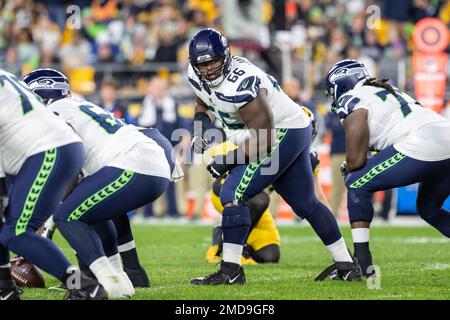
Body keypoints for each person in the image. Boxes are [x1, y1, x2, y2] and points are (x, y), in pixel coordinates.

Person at [188, 28, 361, 285]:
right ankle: (347, 265)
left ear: (226, 56)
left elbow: (265, 138)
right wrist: (200, 130)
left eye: (214, 61)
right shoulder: (196, 76)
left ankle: (231, 271)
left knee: (233, 193)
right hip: (288, 129)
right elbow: (203, 103)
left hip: (281, 132)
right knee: (306, 203)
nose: (210, 68)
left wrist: (227, 159)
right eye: (203, 64)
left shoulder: (240, 82)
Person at [23, 68, 182, 298]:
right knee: (91, 212)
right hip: (148, 160)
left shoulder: (54, 112)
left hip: (135, 162)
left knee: (67, 216)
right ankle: (121, 278)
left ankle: (99, 284)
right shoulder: (75, 105)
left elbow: (68, 163)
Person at [325, 59, 450, 276]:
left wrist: (348, 166)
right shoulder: (386, 87)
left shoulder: (351, 98)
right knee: (429, 208)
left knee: (355, 180)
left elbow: (356, 161)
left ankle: (362, 262)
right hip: (443, 134)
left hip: (422, 142)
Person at [0, 69, 106, 300]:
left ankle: (84, 286)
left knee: (15, 231)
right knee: (6, 227)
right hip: (51, 147)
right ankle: (4, 288)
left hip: (45, 150)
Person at [205, 107, 329, 265]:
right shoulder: (263, 141)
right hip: (230, 195)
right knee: (260, 199)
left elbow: (318, 197)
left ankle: (236, 232)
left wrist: (334, 231)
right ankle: (225, 241)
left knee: (270, 255)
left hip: (256, 203)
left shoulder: (310, 158)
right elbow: (217, 159)